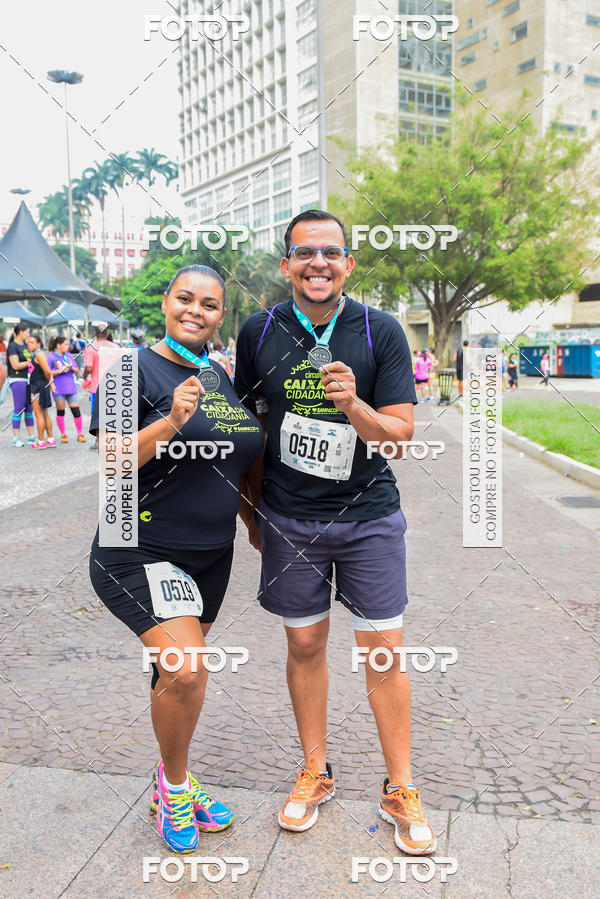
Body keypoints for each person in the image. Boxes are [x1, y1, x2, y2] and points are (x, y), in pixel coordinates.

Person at [235, 209, 436, 854]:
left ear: (349, 263)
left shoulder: (380, 332)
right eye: (304, 252)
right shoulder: (257, 330)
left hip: (368, 515)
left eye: (330, 252)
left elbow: (401, 436)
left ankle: (401, 785)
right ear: (287, 263)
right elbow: (246, 428)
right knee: (304, 646)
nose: (317, 263)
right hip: (290, 519)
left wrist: (353, 405)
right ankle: (316, 772)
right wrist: (250, 511)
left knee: (383, 653)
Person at [89, 264, 264, 854]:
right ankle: (174, 786)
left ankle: (176, 782)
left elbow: (236, 462)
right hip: (138, 548)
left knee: (174, 675)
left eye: (210, 305)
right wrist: (170, 421)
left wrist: (256, 524)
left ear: (221, 317)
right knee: (188, 670)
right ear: (166, 304)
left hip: (210, 557)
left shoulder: (219, 376)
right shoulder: (131, 369)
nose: (196, 311)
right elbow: (111, 462)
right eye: (185, 299)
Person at [47, 336, 85, 443]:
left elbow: (77, 370)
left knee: (76, 411)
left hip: (71, 387)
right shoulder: (50, 357)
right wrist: (59, 370)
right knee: (61, 411)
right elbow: (48, 373)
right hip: (58, 387)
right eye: (65, 344)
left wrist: (73, 368)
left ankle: (80, 434)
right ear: (58, 345)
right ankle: (63, 434)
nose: (68, 346)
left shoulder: (68, 355)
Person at [7, 323, 35, 446]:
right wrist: (28, 362)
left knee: (29, 408)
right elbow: (15, 365)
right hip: (17, 379)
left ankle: (31, 436)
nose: (28, 335)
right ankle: (16, 438)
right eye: (27, 332)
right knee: (19, 408)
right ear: (20, 332)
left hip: (28, 379)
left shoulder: (25, 345)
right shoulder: (12, 346)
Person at [26, 333, 56, 449]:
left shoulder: (40, 354)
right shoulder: (37, 354)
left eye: (32, 342)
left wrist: (52, 384)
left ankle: (40, 441)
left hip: (38, 387)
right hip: (40, 385)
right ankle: (50, 439)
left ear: (39, 343)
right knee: (44, 414)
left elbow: (47, 371)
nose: (29, 344)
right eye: (28, 342)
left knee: (39, 414)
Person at [83, 325, 114, 414]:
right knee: (112, 416)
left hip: (97, 387)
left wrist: (84, 376)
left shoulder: (91, 348)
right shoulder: (115, 347)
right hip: (113, 387)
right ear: (107, 334)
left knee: (97, 417)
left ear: (95, 333)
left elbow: (88, 368)